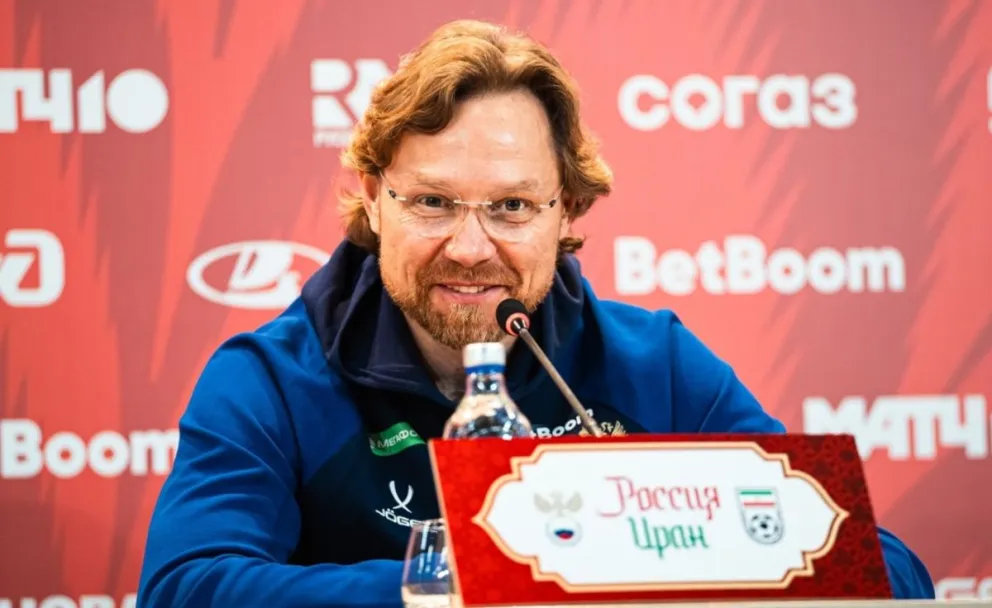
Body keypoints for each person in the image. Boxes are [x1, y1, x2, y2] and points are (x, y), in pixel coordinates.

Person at [137, 19, 935, 607]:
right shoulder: (271, 377)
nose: (471, 246)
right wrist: (465, 582)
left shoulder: (650, 364)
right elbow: (185, 586)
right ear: (374, 200)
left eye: (513, 206)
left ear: (569, 210)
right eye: (432, 202)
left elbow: (885, 571)